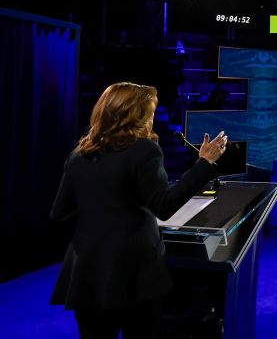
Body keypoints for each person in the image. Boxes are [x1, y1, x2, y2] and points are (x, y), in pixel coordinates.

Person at [49, 82, 228, 338]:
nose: (153, 118)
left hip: (88, 270)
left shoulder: (79, 154)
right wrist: (204, 163)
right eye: (151, 111)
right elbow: (164, 206)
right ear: (136, 115)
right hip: (134, 271)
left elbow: (59, 213)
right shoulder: (144, 150)